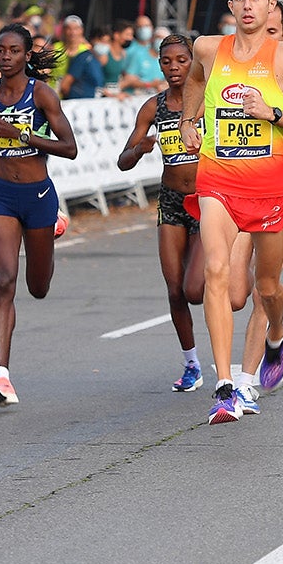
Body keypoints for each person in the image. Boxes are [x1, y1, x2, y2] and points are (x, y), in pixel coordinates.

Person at [179, 0, 283, 425]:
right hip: (217, 180)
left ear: (269, 4)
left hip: (270, 186)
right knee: (216, 273)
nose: (247, 6)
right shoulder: (207, 48)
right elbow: (195, 81)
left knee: (267, 289)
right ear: (230, 5)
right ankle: (226, 386)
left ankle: (277, 333)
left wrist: (272, 112)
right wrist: (188, 121)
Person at [0, 23, 79, 408]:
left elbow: (70, 148)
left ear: (26, 55)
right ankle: (2, 375)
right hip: (2, 194)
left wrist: (22, 137)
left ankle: (52, 226)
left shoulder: (42, 96)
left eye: (13, 51)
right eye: (0, 50)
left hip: (37, 196)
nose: (5, 56)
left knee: (38, 287)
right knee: (4, 281)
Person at [116, 34, 207, 392]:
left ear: (193, 63)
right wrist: (140, 148)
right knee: (175, 291)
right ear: (159, 66)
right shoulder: (153, 108)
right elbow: (123, 161)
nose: (174, 68)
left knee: (195, 289)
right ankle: (192, 364)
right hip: (170, 201)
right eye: (167, 62)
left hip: (205, 201)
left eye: (182, 61)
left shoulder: (206, 101)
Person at [61, 26, 108, 100]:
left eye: (107, 42)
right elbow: (65, 85)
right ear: (93, 40)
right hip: (79, 104)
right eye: (102, 41)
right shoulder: (83, 58)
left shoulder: (97, 61)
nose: (104, 45)